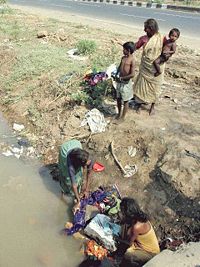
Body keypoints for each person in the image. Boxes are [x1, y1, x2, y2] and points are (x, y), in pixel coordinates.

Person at [133, 18, 164, 115]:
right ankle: (139, 104)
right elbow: (135, 47)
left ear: (152, 29)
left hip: (157, 67)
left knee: (155, 87)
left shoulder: (161, 38)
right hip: (145, 67)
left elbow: (167, 50)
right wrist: (124, 45)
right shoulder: (143, 39)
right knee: (141, 86)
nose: (144, 30)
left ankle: (152, 106)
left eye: (146, 28)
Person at [119, 197, 160, 267]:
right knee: (124, 225)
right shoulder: (139, 217)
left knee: (128, 255)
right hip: (140, 244)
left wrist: (118, 240)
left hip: (150, 253)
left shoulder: (137, 226)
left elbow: (129, 243)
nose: (121, 213)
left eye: (122, 212)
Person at [58, 139, 94, 213]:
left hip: (75, 144)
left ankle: (78, 191)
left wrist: (86, 189)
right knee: (67, 177)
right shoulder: (70, 165)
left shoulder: (88, 158)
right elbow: (73, 185)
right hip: (65, 150)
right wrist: (78, 201)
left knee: (79, 175)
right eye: (85, 165)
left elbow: (89, 173)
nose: (88, 164)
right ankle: (63, 191)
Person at [114, 41, 135, 121]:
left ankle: (122, 117)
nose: (123, 51)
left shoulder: (132, 60)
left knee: (125, 101)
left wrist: (123, 78)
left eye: (124, 49)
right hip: (120, 82)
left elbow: (132, 74)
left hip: (126, 83)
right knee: (118, 98)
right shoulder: (123, 58)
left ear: (128, 50)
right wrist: (116, 74)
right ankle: (119, 113)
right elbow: (119, 67)